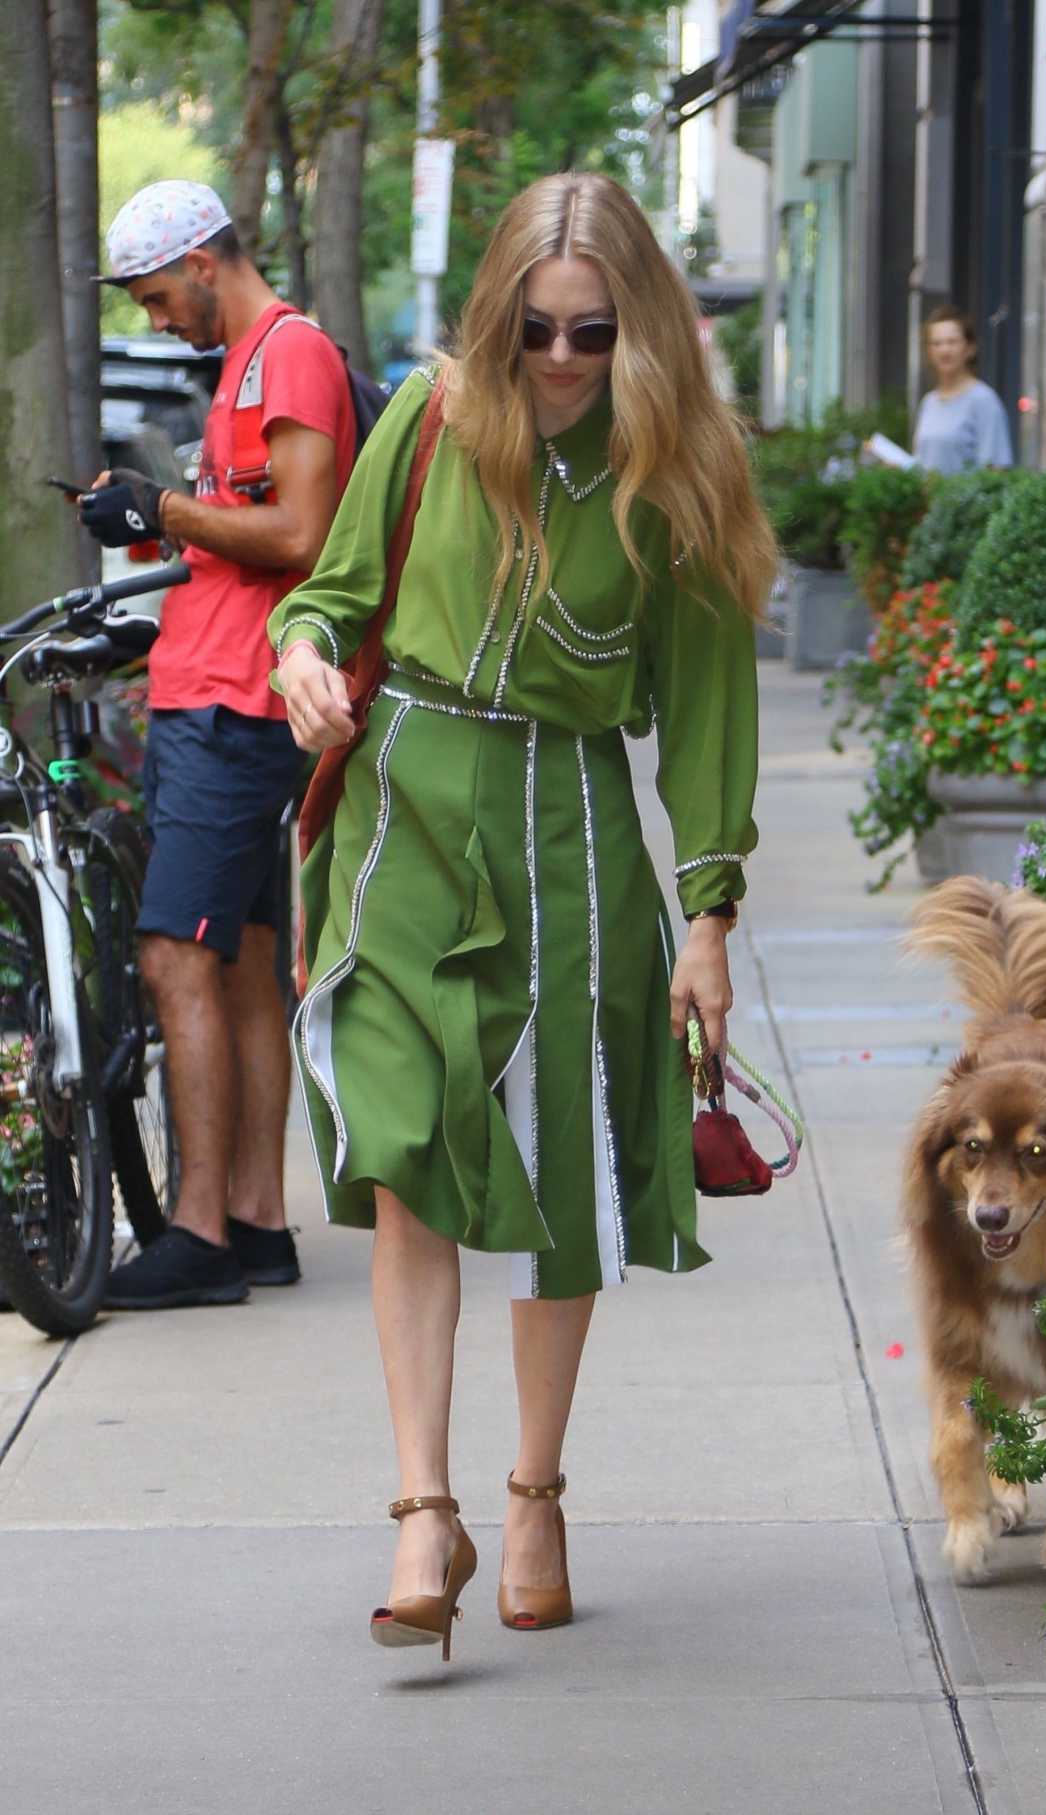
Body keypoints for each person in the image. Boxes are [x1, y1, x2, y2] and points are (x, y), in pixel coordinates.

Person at [269, 171, 778, 1657]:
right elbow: (329, 591)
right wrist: (303, 656)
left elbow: (700, 713)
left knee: (560, 1169)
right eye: (536, 331)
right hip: (404, 808)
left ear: (641, 331)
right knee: (407, 1141)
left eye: (593, 334)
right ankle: (423, 1509)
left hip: (568, 828)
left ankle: (535, 1488)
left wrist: (705, 917)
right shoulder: (428, 420)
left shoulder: (673, 468)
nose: (559, 361)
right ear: (498, 315)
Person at [82, 180, 357, 1309]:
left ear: (204, 261)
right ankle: (255, 1222)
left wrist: (162, 510)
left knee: (173, 956)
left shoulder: (286, 355)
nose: (156, 322)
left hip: (232, 709)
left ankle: (195, 1232)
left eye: (156, 298)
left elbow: (302, 532)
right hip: (225, 694)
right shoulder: (246, 367)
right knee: (241, 964)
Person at [911, 305, 1014, 474]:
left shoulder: (984, 400)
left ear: (970, 348)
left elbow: (995, 470)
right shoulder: (929, 402)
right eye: (937, 343)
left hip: (965, 500)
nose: (944, 350)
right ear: (929, 351)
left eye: (952, 342)